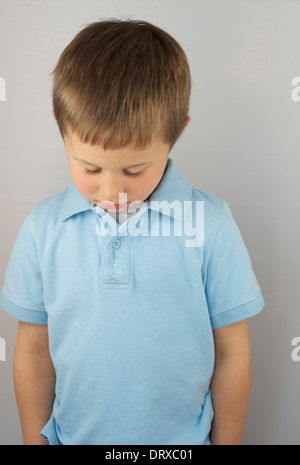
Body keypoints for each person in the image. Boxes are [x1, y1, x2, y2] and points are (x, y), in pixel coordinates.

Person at [0, 19, 265, 445]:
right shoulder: (42, 228)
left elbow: (233, 351)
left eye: (135, 169)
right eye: (89, 168)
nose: (111, 190)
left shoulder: (210, 225)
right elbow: (32, 349)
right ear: (61, 130)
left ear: (176, 134)